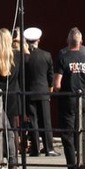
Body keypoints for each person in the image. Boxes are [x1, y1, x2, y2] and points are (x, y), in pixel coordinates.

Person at [53, 27, 85, 169]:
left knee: (67, 135)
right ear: (81, 42)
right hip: (84, 99)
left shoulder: (63, 57)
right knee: (82, 132)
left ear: (67, 42)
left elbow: (57, 84)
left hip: (68, 100)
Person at [0, 28, 22, 168]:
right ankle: (13, 160)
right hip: (13, 94)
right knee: (13, 129)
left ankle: (1, 158)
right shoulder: (18, 55)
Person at [23, 26, 54, 157]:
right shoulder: (46, 55)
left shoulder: (24, 58)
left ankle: (35, 149)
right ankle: (49, 149)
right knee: (46, 121)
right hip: (43, 92)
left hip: (29, 93)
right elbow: (50, 76)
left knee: (33, 122)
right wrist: (49, 90)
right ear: (38, 40)